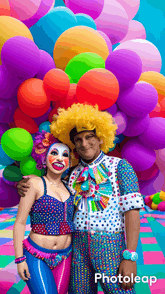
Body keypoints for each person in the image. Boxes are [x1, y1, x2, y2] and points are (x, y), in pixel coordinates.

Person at [18, 103, 145, 294]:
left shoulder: (120, 167)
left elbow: (132, 212)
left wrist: (130, 257)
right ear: (74, 145)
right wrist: (22, 185)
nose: (84, 143)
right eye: (78, 139)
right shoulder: (70, 174)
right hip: (76, 249)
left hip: (110, 246)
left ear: (101, 137)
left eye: (89, 136)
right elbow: (48, 185)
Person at [13, 131, 75, 294]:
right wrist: (19, 259)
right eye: (54, 153)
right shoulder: (33, 183)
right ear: (44, 158)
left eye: (65, 155)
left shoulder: (71, 188)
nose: (60, 158)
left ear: (69, 162)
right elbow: (19, 223)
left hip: (65, 256)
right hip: (37, 255)